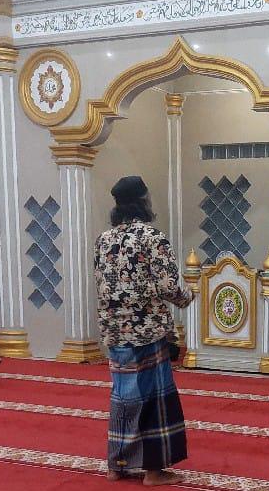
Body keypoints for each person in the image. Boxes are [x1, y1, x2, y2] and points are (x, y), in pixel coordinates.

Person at [96, 176, 194, 486]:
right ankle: (153, 471)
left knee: (123, 397)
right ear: (143, 200)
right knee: (155, 398)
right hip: (147, 331)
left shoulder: (103, 240)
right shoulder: (152, 237)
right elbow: (169, 287)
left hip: (115, 331)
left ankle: (117, 465)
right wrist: (188, 296)